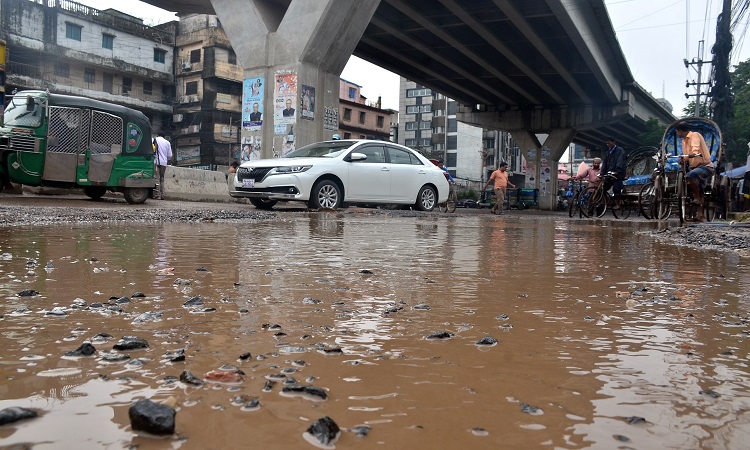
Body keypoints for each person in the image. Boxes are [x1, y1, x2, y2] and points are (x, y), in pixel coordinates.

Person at [675, 121, 714, 221]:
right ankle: (700, 216)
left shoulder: (695, 135)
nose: (677, 134)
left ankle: (696, 198)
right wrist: (683, 159)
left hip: (706, 166)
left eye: (677, 132)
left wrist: (693, 154)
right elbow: (687, 157)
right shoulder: (684, 141)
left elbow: (695, 149)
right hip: (695, 167)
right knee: (701, 191)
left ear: (680, 130)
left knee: (690, 176)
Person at [599, 137, 627, 209]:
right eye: (607, 143)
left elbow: (619, 161)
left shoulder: (619, 150)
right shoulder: (608, 152)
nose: (608, 144)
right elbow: (605, 163)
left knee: (616, 187)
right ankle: (603, 201)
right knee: (604, 187)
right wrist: (602, 173)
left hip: (618, 172)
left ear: (614, 142)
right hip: (609, 172)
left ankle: (618, 203)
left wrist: (617, 170)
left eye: (609, 142)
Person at [154, 133, 172, 200]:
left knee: (157, 178)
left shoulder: (155, 140)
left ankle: (157, 195)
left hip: (156, 161)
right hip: (164, 163)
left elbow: (152, 150)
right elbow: (169, 155)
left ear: (158, 135)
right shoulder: (167, 142)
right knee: (162, 178)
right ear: (164, 136)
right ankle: (162, 195)